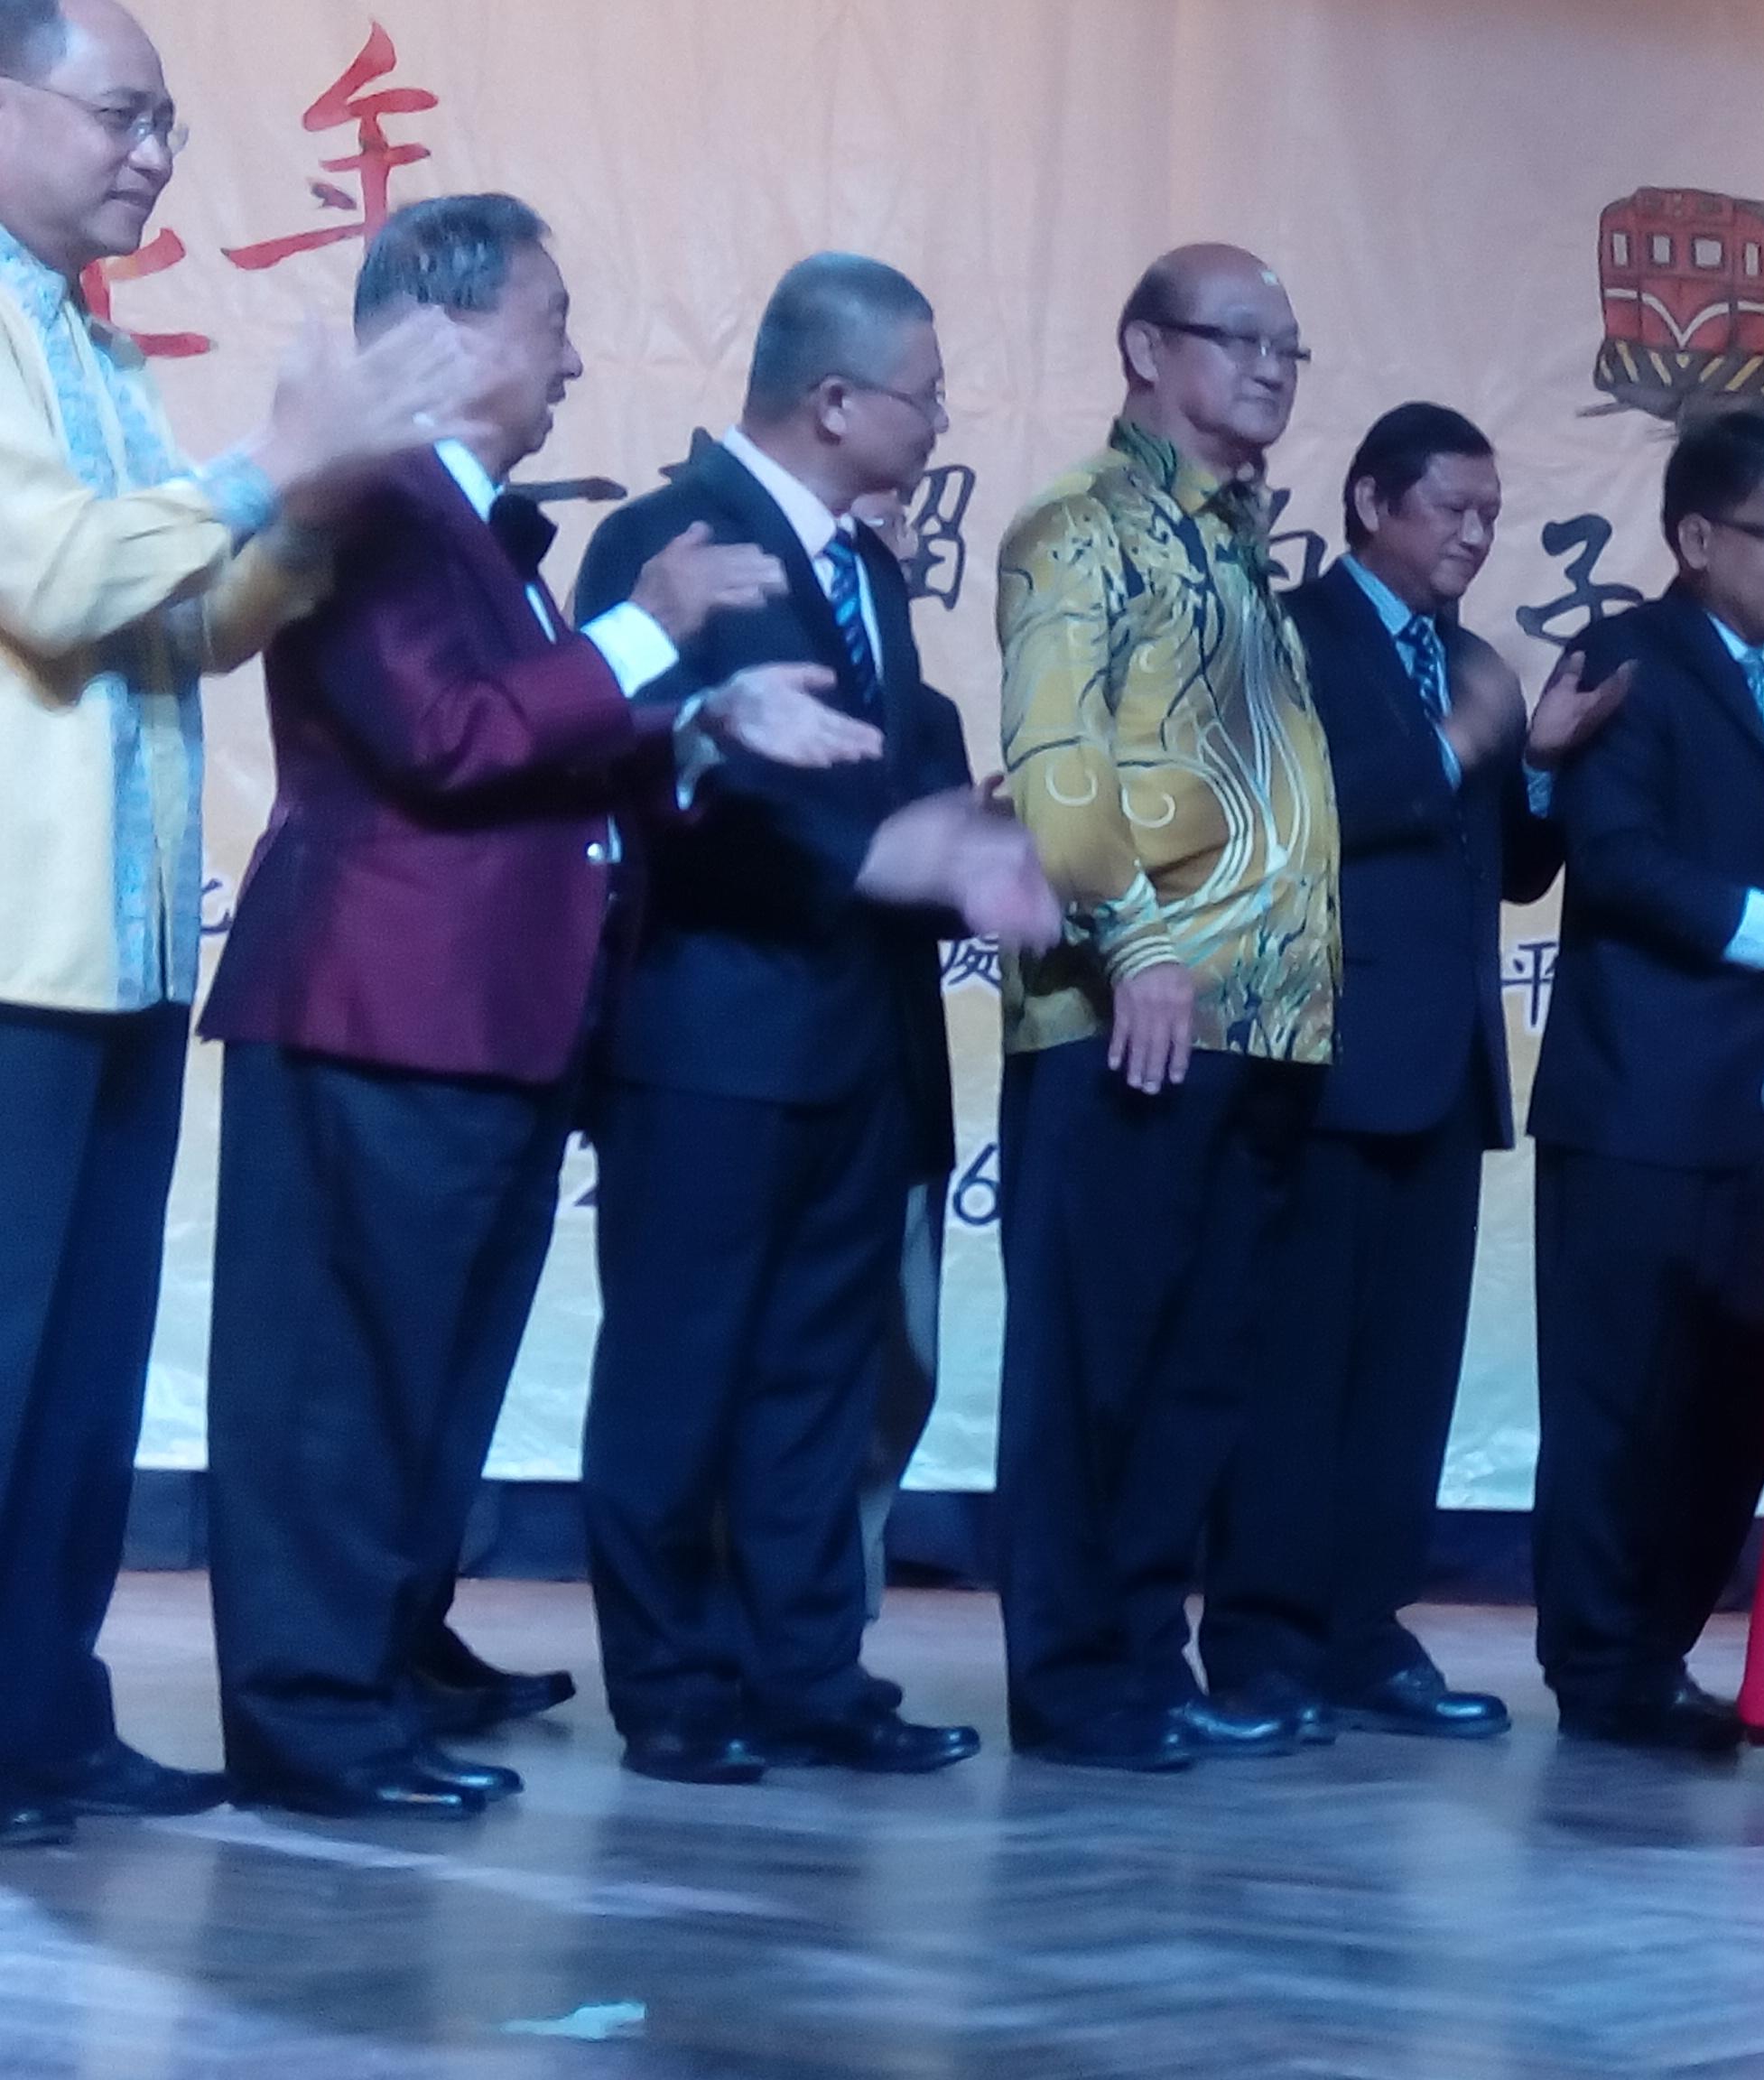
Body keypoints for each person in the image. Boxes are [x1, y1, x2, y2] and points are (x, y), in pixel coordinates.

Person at [198, 195, 890, 1821]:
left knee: (422, 1387)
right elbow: (445, 735)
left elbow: (531, 733)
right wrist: (659, 623)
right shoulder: (366, 495)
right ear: (445, 333)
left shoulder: (467, 519)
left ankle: (370, 1687)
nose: (577, 359)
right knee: (338, 1396)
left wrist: (702, 721)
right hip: (379, 1008)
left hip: (483, 1020)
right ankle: (308, 1718)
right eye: (552, 319)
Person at [0, 0, 487, 1851]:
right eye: (121, 116)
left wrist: (316, 499)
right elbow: (53, 579)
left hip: (110, 950)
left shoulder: (87, 342)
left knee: (79, 1384)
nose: (152, 154)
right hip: (9, 955)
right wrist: (278, 458)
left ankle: (44, 1722)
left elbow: (186, 621)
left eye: (170, 125)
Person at [570, 254, 1055, 1786]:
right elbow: (666, 772)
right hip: (712, 1036)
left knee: (815, 1378)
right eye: (923, 393)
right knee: (679, 1367)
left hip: (857, 1038)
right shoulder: (666, 541)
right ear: (833, 398)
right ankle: (670, 1681)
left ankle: (805, 1668)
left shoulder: (869, 566)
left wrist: (958, 834)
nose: (939, 419)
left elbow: (864, 767)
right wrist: (877, 847)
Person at [1198, 403, 1622, 1742]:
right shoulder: (1288, 635)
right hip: (1319, 1060)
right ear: (1375, 501)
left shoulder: (1473, 661)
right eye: (1453, 509)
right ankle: (1263, 1640)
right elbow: (1305, 810)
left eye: (1491, 514)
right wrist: (1467, 744)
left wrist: (1540, 766)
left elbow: (1509, 867)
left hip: (1444, 1068)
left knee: (1406, 1375)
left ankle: (1364, 1632)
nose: (1477, 536)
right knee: (1295, 1371)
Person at [993, 244, 1343, 1772]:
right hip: (1125, 1018)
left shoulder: (1244, 546)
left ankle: (1147, 1656)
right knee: (1097, 1374)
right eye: (1240, 338)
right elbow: (1055, 759)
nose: (1271, 366)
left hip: (1256, 1026)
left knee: (1198, 1375)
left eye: (1289, 347)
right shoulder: (1085, 529)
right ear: (1146, 346)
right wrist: (1134, 941)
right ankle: (1077, 1679)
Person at [1527, 406, 1764, 1749]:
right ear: (1693, 536)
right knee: (1616, 1401)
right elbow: (1616, 862)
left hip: (1755, 1109)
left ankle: (1662, 1652)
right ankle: (1598, 1670)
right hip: (1629, 1102)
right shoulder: (1628, 655)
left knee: (1728, 1401)